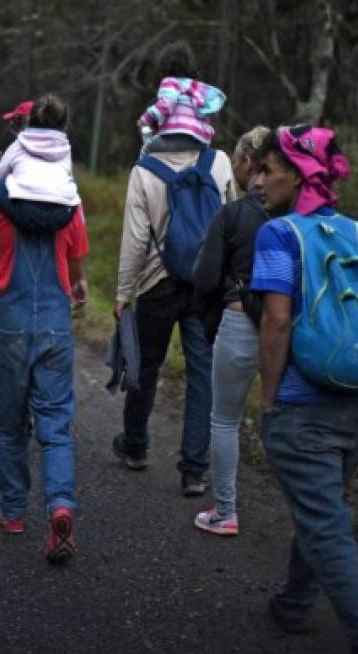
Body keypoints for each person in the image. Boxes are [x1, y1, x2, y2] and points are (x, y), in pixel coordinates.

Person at [250, 125, 358, 654]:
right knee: (321, 509)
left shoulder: (279, 237)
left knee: (325, 523)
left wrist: (269, 400)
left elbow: (276, 323)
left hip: (304, 414)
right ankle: (295, 604)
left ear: (298, 175)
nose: (256, 181)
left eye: (266, 170)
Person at [112, 41, 236, 496]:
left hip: (156, 282)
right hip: (207, 284)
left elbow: (134, 240)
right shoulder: (219, 162)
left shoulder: (145, 168)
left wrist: (123, 294)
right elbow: (232, 224)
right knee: (202, 372)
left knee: (145, 366)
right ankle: (194, 469)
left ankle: (136, 444)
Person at [0, 121, 90, 562]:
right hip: (55, 325)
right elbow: (77, 277)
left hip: (8, 325)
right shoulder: (69, 211)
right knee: (55, 427)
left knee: (8, 424)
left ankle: (14, 512)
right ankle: (60, 505)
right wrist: (79, 288)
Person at [190, 125, 272, 536]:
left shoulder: (234, 215)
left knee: (225, 419)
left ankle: (225, 512)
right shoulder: (296, 216)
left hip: (239, 324)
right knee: (283, 420)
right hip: (285, 330)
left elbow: (203, 278)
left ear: (246, 163)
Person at [0, 93, 79, 232]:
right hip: (61, 216)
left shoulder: (19, 143)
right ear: (64, 124)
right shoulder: (65, 147)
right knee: (74, 192)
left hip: (26, 213)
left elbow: (0, 176)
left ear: (31, 120)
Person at [137, 40, 226, 156]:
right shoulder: (196, 89)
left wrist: (145, 120)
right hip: (199, 140)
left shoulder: (169, 83)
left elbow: (166, 105)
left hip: (174, 139)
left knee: (145, 149)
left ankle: (145, 164)